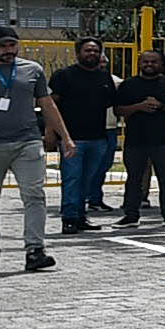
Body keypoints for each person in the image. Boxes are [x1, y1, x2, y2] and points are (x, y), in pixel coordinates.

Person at [0, 24, 71, 274]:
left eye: (13, 45)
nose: (9, 50)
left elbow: (47, 104)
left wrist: (65, 136)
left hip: (27, 140)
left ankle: (35, 250)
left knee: (34, 195)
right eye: (3, 46)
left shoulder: (33, 69)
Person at [51, 35, 119, 234]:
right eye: (88, 50)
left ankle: (81, 216)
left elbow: (111, 104)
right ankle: (69, 218)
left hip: (98, 138)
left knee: (87, 180)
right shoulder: (64, 76)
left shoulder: (104, 77)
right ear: (78, 53)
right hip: (71, 138)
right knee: (72, 178)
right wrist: (51, 132)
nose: (92, 54)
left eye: (96, 51)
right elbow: (51, 105)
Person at [113, 50, 165, 229]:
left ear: (161, 64)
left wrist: (160, 106)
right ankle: (130, 215)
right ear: (139, 63)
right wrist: (138, 107)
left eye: (153, 61)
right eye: (145, 61)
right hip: (136, 140)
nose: (149, 65)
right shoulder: (128, 85)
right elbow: (118, 110)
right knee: (134, 179)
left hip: (164, 140)